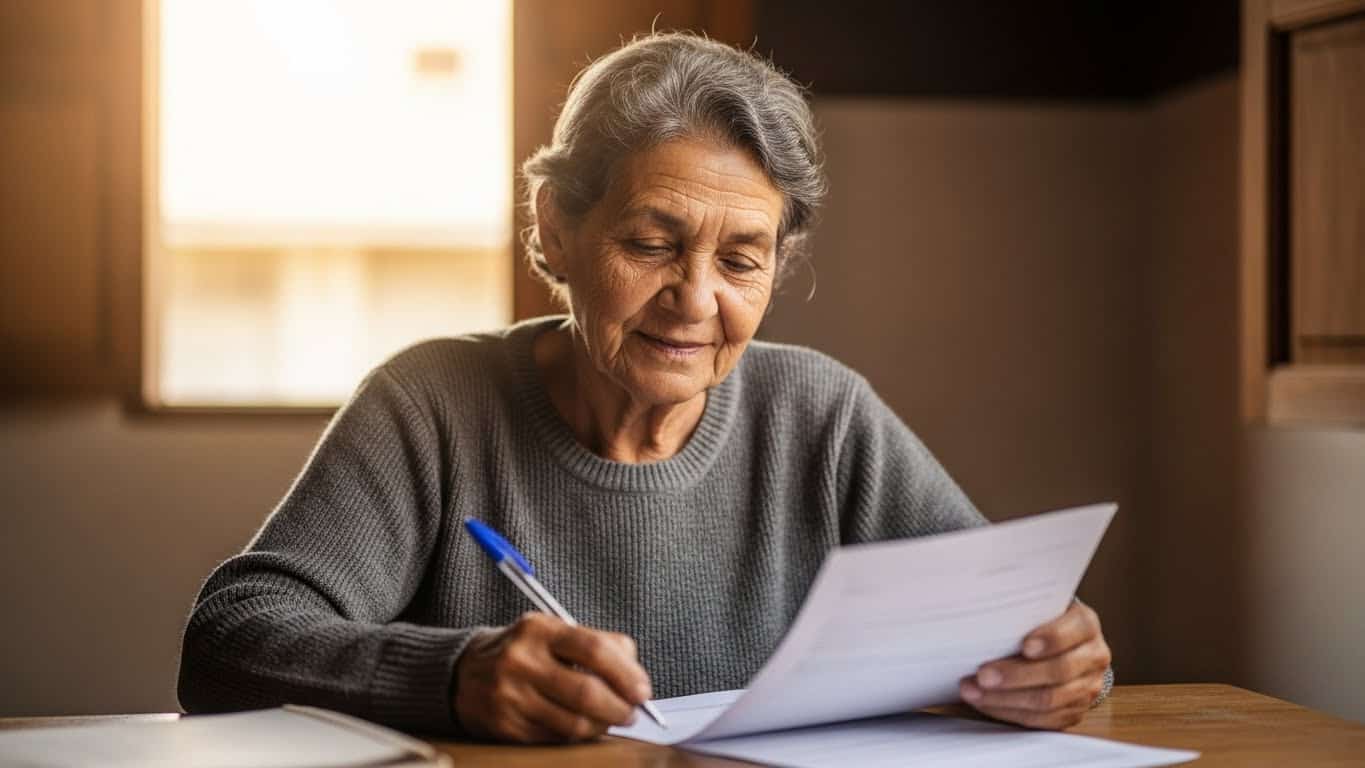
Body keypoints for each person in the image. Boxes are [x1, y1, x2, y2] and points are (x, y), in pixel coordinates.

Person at [177, 32, 1112, 744]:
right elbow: (228, 642)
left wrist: (1058, 662)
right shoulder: (433, 404)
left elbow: (1008, 627)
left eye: (740, 260)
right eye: (650, 244)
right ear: (553, 230)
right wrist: (454, 674)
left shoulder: (823, 417)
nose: (694, 301)